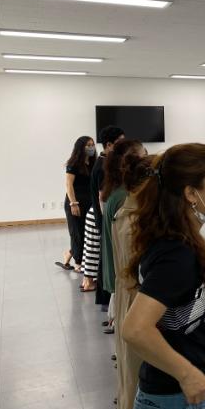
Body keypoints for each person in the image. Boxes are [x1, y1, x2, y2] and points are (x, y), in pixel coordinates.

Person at [122, 143, 205, 409]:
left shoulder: (174, 241)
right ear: (191, 193)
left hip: (165, 400)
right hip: (177, 404)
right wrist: (187, 373)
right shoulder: (177, 255)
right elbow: (134, 329)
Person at [109, 144, 151, 409]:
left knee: (128, 382)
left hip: (128, 303)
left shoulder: (124, 212)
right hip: (138, 308)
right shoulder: (136, 223)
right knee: (139, 386)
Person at [102, 139, 147, 334]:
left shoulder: (118, 192)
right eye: (145, 155)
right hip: (123, 274)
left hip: (119, 272)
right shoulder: (123, 198)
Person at [81, 125, 125, 293]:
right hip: (99, 215)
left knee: (98, 253)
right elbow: (102, 198)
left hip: (99, 215)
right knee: (100, 255)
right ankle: (100, 289)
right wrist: (108, 222)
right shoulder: (102, 166)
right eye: (120, 142)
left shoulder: (105, 162)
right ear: (109, 145)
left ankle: (95, 285)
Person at [56, 136, 96, 271]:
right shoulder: (73, 164)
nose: (91, 148)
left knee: (86, 233)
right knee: (77, 233)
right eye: (88, 145)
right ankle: (78, 263)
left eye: (92, 145)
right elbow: (69, 185)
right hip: (75, 202)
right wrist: (73, 203)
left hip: (89, 202)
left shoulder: (93, 163)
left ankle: (69, 254)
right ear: (81, 147)